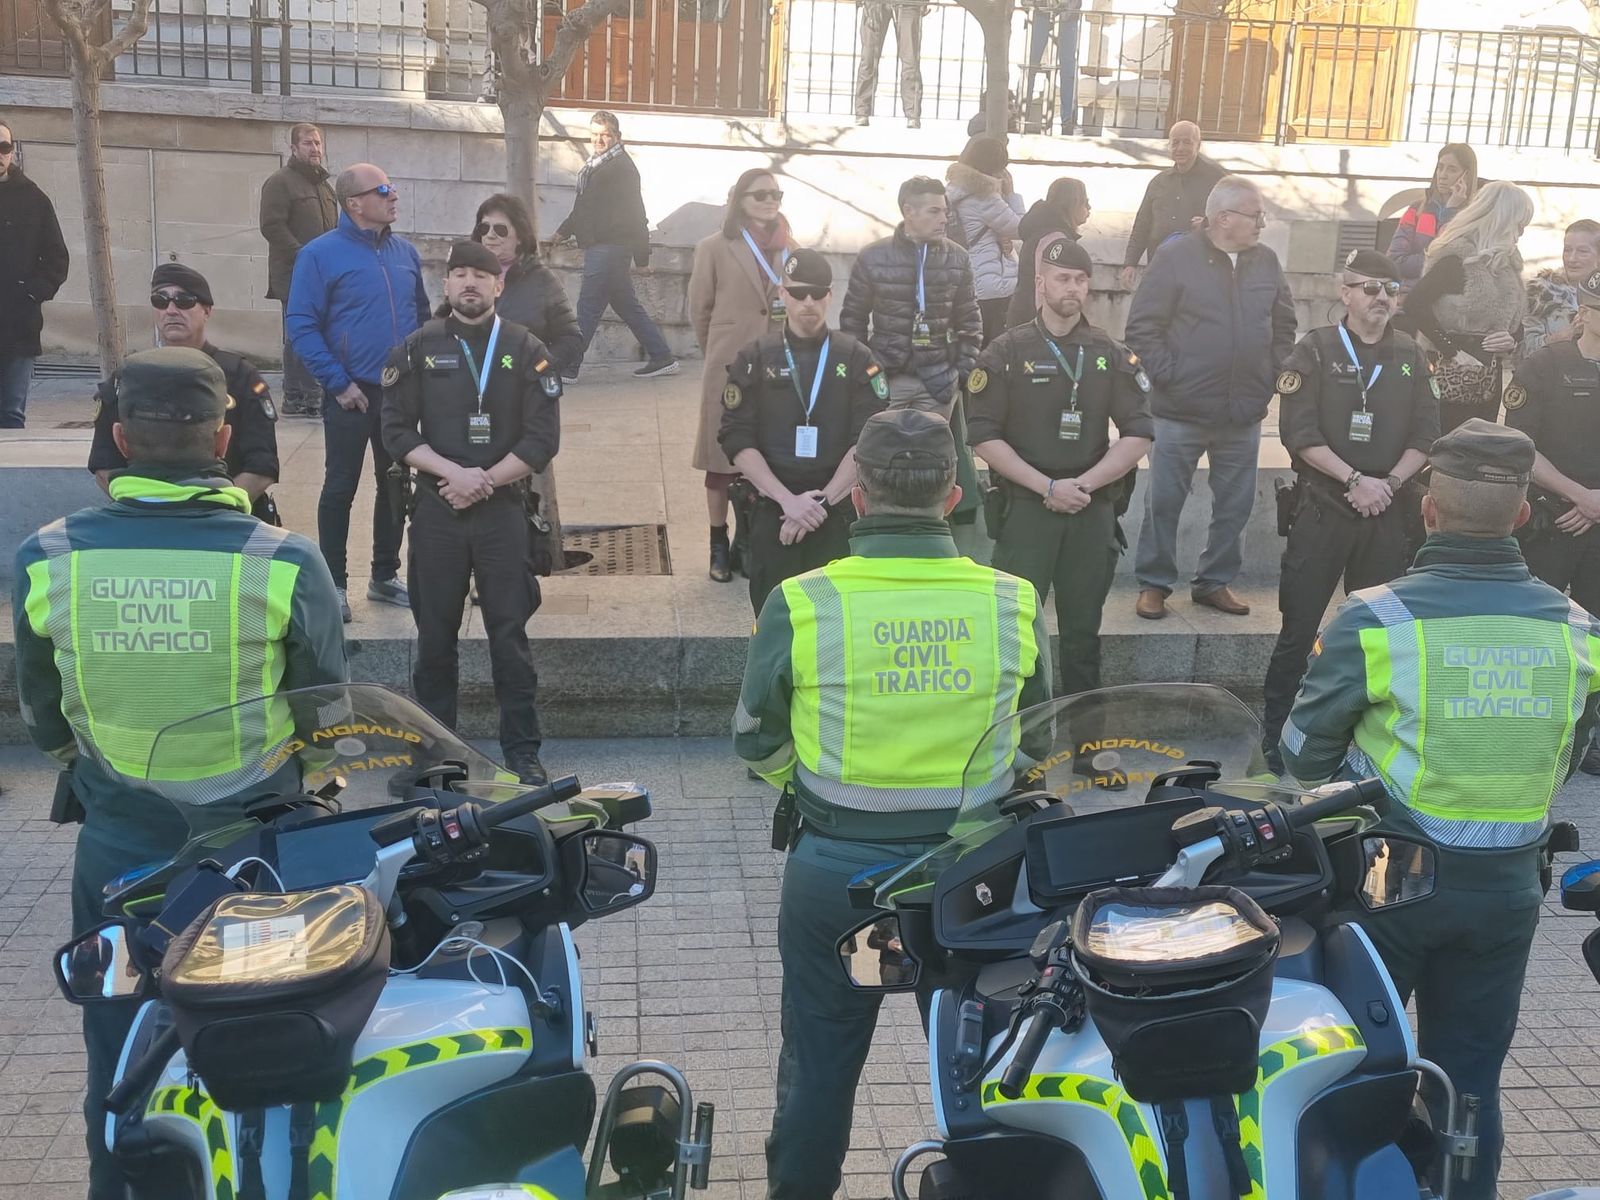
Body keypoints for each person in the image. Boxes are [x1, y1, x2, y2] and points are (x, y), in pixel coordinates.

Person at [13, 347, 347, 1200]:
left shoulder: (45, 557)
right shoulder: (284, 561)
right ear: (224, 438)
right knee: (270, 1039)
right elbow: (325, 718)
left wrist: (94, 778)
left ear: (119, 439)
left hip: (118, 854)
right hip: (255, 857)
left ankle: (114, 1186)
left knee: (118, 1049)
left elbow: (43, 714)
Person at [734, 407, 1051, 1200]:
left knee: (817, 1065)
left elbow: (754, 740)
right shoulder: (1011, 600)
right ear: (953, 498)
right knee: (984, 1069)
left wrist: (814, 794)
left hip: (835, 876)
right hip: (971, 880)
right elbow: (1041, 742)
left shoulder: (802, 600)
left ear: (858, 498)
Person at [1281, 419, 1600, 1200]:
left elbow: (1299, 758)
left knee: (1363, 1072)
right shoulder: (1579, 632)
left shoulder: (1375, 618)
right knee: (1471, 1084)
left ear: (1427, 508)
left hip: (1386, 886)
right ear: (1523, 514)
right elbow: (1565, 756)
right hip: (1509, 893)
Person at [969, 235, 1152, 786]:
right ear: (1039, 282)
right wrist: (1047, 485)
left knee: (1082, 639)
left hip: (1089, 513)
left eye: (1080, 279)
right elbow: (982, 436)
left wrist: (1084, 485)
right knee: (1018, 640)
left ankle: (1092, 754)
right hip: (1027, 512)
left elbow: (1140, 431)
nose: (1071, 289)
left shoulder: (1109, 354)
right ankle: (1021, 758)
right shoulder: (1005, 352)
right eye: (1061, 278)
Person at [381, 241, 561, 786]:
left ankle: (523, 752)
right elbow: (395, 431)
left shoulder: (526, 348)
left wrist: (481, 481)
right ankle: (436, 753)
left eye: (480, 275)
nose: (468, 283)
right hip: (437, 509)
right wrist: (451, 475)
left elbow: (541, 439)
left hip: (502, 510)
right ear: (445, 285)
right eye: (458, 273)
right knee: (435, 639)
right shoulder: (416, 348)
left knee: (510, 637)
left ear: (499, 284)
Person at [1259, 250, 1440, 772]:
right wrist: (1356, 480)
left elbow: (1427, 432)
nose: (1381, 297)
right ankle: (1277, 734)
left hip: (1386, 509)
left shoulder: (1410, 352)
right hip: (1324, 508)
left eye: (1389, 288)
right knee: (1299, 629)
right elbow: (1299, 433)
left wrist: (1388, 484)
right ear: (1345, 293)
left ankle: (1368, 736)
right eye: (1369, 287)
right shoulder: (1314, 350)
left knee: (1379, 633)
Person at [1124, 175, 1296, 620]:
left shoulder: (1267, 262)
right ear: (1224, 218)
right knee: (1163, 500)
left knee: (1235, 504)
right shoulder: (1176, 257)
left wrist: (1268, 378)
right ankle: (1154, 584)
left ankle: (1214, 581)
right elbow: (1142, 327)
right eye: (1255, 215)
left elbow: (1284, 327)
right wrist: (1172, 378)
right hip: (1179, 410)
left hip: (1243, 412)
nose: (1262, 222)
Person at [287, 162, 430, 623]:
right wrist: (339, 383)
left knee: (394, 485)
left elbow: (424, 320)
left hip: (399, 395)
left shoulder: (406, 253)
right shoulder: (318, 255)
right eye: (383, 189)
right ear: (354, 203)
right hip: (350, 393)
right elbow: (301, 325)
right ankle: (334, 584)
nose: (394, 196)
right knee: (340, 488)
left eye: (392, 187)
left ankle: (384, 575)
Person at [717, 249, 888, 611]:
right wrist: (787, 501)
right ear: (782, 294)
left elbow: (869, 439)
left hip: (836, 510)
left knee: (835, 629)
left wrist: (821, 503)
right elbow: (736, 437)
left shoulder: (856, 357)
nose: (807, 302)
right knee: (772, 623)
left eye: (816, 292)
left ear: (829, 295)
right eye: (797, 293)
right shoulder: (755, 358)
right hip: (773, 511)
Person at [839, 176, 984, 550]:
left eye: (945, 211)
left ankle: (933, 543)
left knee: (934, 465)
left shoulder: (957, 258)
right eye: (935, 211)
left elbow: (970, 322)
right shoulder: (873, 256)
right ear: (909, 211)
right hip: (886, 381)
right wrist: (868, 377)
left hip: (938, 382)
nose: (944, 219)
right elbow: (853, 322)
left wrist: (959, 374)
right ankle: (869, 538)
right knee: (872, 459)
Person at [88, 262, 281, 519]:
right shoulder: (129, 377)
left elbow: (262, 464)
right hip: (145, 520)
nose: (171, 310)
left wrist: (221, 510)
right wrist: (146, 509)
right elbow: (104, 463)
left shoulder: (240, 376)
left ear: (207, 310)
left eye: (184, 300)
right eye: (161, 300)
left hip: (227, 520)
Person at [1504, 266, 1600, 771]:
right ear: (1584, 312)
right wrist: (1580, 496)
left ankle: (1587, 738)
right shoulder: (1544, 365)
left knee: (1597, 639)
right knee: (1537, 631)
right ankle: (1529, 731)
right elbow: (1521, 446)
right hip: (1550, 521)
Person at [689, 167, 797, 583]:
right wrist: (718, 352)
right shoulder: (714, 247)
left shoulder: (792, 249)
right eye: (760, 195)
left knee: (764, 457)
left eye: (776, 194)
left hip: (777, 367)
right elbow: (700, 310)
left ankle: (747, 540)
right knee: (720, 463)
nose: (770, 201)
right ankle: (718, 542)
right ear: (740, 200)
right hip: (729, 366)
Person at [1396, 179, 1533, 433]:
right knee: (1440, 447)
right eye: (1520, 224)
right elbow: (1415, 305)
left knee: (1476, 449)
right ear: (1501, 220)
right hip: (1448, 377)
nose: (1521, 232)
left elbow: (1516, 323)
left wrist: (1511, 338)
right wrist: (1453, 351)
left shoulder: (1509, 265)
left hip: (1488, 381)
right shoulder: (1456, 259)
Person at [554, 111, 678, 380]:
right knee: (626, 305)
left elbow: (637, 214)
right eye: (594, 134)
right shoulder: (598, 165)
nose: (598, 139)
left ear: (616, 136)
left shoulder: (621, 168)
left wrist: (642, 259)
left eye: (604, 134)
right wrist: (562, 232)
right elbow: (585, 208)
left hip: (609, 248)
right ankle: (662, 356)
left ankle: (570, 366)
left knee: (587, 308)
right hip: (604, 247)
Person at [259, 122, 338, 416]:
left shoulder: (326, 187)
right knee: (299, 335)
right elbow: (271, 226)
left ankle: (300, 396)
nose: (315, 148)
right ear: (293, 148)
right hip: (294, 275)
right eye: (308, 143)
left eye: (318, 143)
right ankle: (303, 396)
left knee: (315, 333)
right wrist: (303, 256)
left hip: (325, 276)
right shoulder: (280, 182)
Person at [0, 120, 70, 429]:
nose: (0, 154)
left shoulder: (33, 198)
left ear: (12, 152)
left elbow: (56, 258)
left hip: (18, 324)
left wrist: (31, 292)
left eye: (4, 147)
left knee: (11, 415)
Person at [468, 193, 583, 375]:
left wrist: (538, 368)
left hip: (523, 392)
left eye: (500, 229)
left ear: (519, 236)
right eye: (484, 228)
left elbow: (570, 339)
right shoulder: (464, 278)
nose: (490, 235)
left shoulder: (542, 280)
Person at [1117, 121, 1226, 294]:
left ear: (1199, 145)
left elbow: (1234, 219)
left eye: (1187, 142)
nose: (1180, 148)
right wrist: (1130, 264)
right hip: (1159, 272)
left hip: (1199, 277)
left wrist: (1208, 224)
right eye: (1175, 142)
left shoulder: (1219, 179)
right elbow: (1142, 226)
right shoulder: (1158, 182)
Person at [944, 135, 1024, 346]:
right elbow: (1021, 227)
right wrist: (1012, 194)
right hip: (990, 286)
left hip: (961, 281)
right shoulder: (984, 196)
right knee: (992, 351)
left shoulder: (953, 189)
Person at [1386, 143, 1478, 297]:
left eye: (1452, 169)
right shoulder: (1416, 210)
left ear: (1466, 176)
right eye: (1440, 167)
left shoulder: (1473, 217)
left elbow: (1452, 268)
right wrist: (1431, 264)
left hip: (1447, 303)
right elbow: (1394, 260)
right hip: (1408, 298)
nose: (1442, 175)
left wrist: (1451, 211)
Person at [1008, 175, 1090, 328]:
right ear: (1073, 204)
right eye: (1085, 202)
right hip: (1033, 323)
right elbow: (1042, 285)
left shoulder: (1045, 232)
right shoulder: (1053, 239)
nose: (1089, 208)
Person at [1521, 218, 1600, 358]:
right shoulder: (1541, 293)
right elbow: (1526, 350)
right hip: (1554, 376)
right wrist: (1568, 334)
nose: (1571, 259)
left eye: (1582, 251)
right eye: (1567, 250)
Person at [853, 0, 925, 128]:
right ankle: (862, 112)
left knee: (910, 61)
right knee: (868, 58)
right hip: (875, 4)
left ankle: (913, 115)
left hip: (908, 4)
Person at [1021, 0, 1082, 134]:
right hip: (1039, 13)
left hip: (1067, 15)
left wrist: (1068, 10)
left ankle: (1069, 122)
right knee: (1029, 66)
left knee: (1068, 70)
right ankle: (1020, 118)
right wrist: (1031, 5)